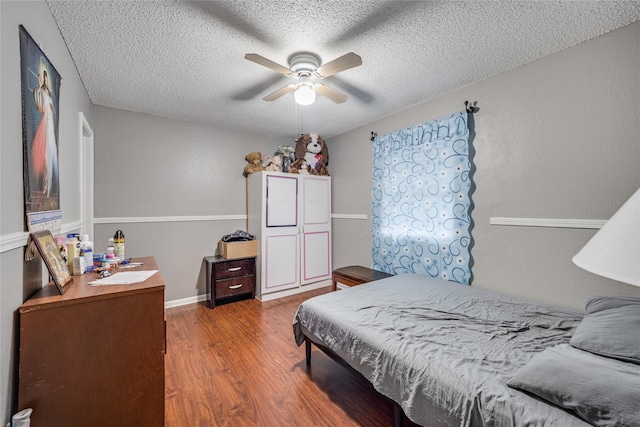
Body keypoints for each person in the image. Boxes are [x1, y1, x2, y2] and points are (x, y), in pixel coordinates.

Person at [31, 69, 58, 198]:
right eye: (44, 79)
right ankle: (44, 186)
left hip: (50, 124)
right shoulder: (40, 92)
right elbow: (40, 108)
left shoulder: (49, 94)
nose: (45, 81)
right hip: (45, 123)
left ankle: (48, 187)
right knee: (46, 156)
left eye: (46, 79)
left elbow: (51, 110)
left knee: (50, 155)